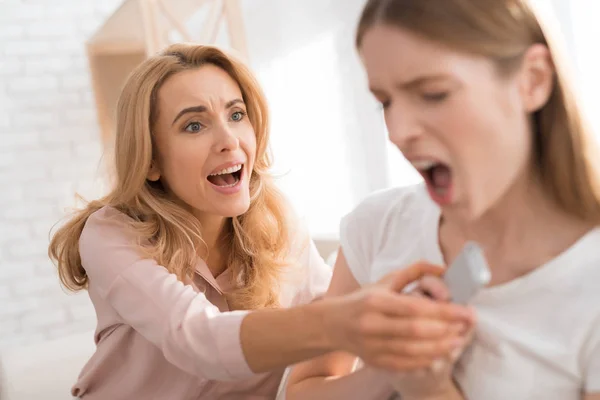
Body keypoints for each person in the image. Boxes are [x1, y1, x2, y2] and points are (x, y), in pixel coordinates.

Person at [48, 43, 473, 399]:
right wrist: (349, 318)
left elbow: (319, 370)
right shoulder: (111, 233)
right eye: (194, 125)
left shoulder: (277, 220)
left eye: (236, 115)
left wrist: (396, 360)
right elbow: (196, 339)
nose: (229, 140)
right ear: (152, 159)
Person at [284, 0, 600, 399]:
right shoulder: (377, 225)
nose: (397, 132)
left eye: (432, 94)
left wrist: (428, 388)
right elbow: (300, 392)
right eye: (385, 101)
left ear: (533, 80)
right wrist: (386, 371)